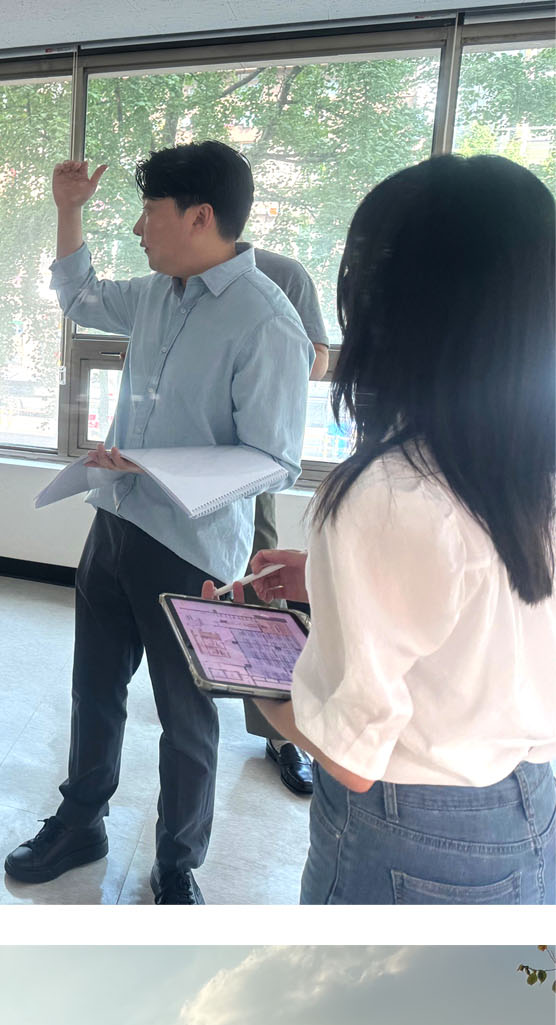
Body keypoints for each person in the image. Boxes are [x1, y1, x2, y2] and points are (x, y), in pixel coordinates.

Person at [207, 154, 556, 904]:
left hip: (405, 830)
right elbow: (494, 594)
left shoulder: (390, 491)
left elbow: (349, 752)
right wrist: (335, 581)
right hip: (528, 806)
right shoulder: (522, 456)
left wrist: (248, 675)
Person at [4, 140, 310, 903]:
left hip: (192, 546)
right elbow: (78, 298)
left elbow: (274, 458)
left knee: (187, 715)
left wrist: (160, 467)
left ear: (200, 217)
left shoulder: (268, 321)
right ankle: (82, 822)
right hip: (114, 523)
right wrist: (68, 211)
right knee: (95, 689)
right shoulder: (155, 294)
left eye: (149, 214)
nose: (139, 230)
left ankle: (178, 863)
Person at [239, 249, 330, 797]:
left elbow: (318, 358)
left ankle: (279, 734)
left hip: (250, 462)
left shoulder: (282, 273)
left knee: (259, 586)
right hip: (167, 468)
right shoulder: (165, 281)